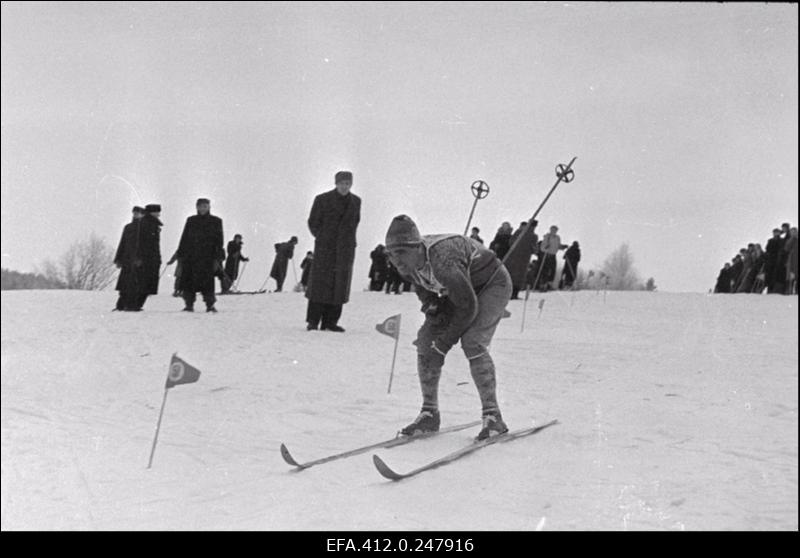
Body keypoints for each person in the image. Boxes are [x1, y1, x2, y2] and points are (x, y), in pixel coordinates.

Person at [384, 214, 512, 441]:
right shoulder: (405, 264)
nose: (397, 261)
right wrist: (433, 309)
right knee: (425, 342)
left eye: (402, 253)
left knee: (473, 341)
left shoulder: (442, 260)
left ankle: (493, 417)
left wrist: (443, 344)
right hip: (459, 288)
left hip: (492, 283)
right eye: (392, 255)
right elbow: (424, 289)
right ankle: (429, 412)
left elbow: (468, 307)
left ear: (417, 248)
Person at [305, 171, 361, 331]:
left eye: (348, 184)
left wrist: (347, 242)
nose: (345, 187)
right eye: (342, 183)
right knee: (320, 285)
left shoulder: (356, 202)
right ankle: (313, 321)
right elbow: (313, 222)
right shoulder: (322, 199)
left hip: (345, 250)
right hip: (325, 249)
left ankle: (331, 322)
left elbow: (355, 223)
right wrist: (323, 239)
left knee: (339, 285)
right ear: (336, 183)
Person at [173, 198, 225, 313]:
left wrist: (218, 257)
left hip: (207, 258)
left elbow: (219, 240)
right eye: (200, 206)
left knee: (208, 283)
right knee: (189, 282)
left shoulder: (216, 221)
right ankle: (189, 304)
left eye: (205, 206)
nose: (203, 209)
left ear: (209, 207)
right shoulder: (191, 220)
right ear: (197, 207)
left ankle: (210, 305)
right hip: (191, 257)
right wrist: (180, 254)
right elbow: (184, 238)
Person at [113, 206, 145, 311]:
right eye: (134, 213)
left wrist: (141, 258)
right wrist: (118, 259)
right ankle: (120, 305)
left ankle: (132, 305)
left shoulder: (144, 228)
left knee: (135, 285)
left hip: (138, 261)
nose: (136, 215)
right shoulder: (128, 227)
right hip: (127, 260)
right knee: (124, 285)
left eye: (138, 213)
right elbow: (122, 243)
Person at [134, 203, 163, 309]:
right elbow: (141, 243)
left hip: (150, 258)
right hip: (147, 259)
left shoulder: (148, 223)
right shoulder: (147, 224)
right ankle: (136, 305)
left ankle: (137, 304)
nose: (158, 214)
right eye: (157, 212)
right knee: (145, 283)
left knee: (145, 283)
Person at [503, 219, 539, 299]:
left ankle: (507, 293)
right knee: (519, 277)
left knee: (510, 275)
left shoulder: (518, 232)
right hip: (523, 259)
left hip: (513, 258)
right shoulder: (533, 236)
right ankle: (514, 294)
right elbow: (534, 249)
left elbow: (511, 243)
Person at [540, 226, 568, 291]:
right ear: (550, 230)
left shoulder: (557, 238)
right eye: (553, 230)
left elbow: (558, 246)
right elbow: (542, 247)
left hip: (553, 255)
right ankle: (543, 285)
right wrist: (545, 247)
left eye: (555, 230)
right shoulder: (547, 236)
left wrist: (563, 246)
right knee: (545, 270)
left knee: (552, 270)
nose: (554, 231)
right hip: (547, 255)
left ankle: (549, 284)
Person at [785, 227, 798, 295]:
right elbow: (786, 248)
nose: (793, 233)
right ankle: (789, 292)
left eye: (794, 232)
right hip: (792, 261)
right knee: (791, 277)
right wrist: (792, 238)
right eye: (791, 232)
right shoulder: (790, 240)